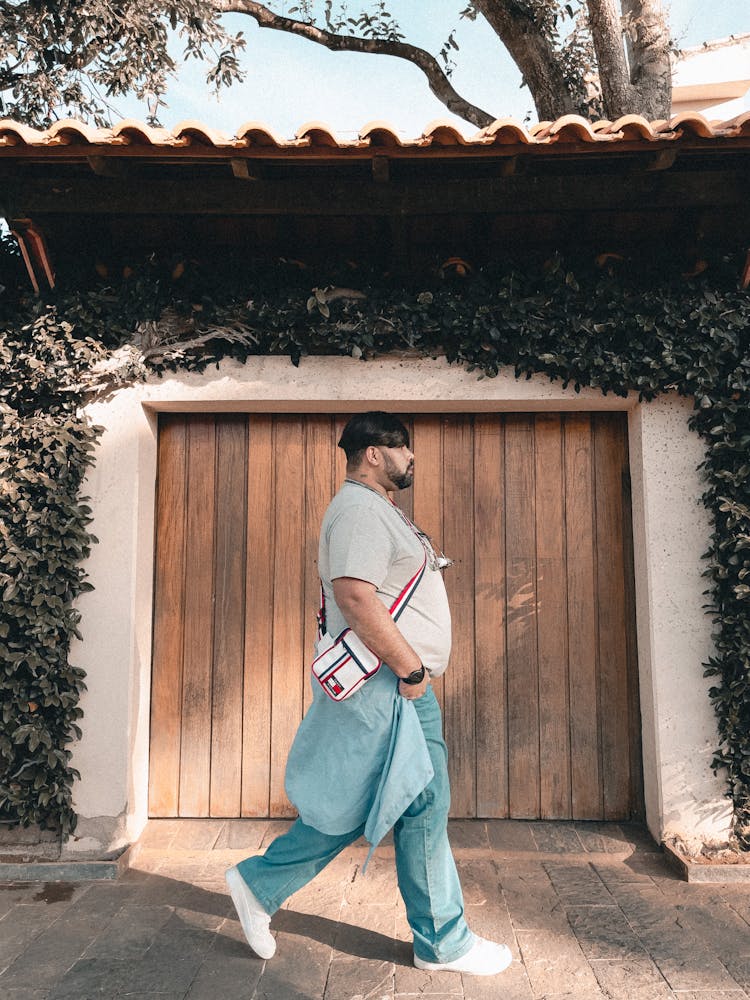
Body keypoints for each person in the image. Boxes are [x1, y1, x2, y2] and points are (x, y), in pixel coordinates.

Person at [225, 411, 512, 976]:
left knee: (397, 800)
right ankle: (443, 943)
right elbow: (355, 597)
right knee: (417, 800)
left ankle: (260, 884)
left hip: (394, 685)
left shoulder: (376, 511)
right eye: (404, 448)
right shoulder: (358, 509)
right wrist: (409, 670)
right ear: (375, 452)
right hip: (390, 685)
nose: (411, 459)